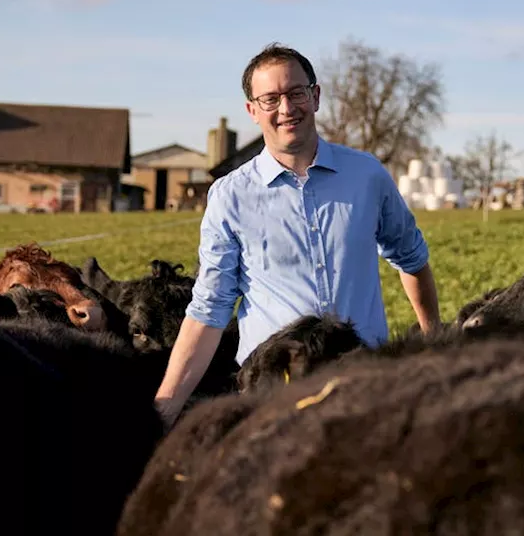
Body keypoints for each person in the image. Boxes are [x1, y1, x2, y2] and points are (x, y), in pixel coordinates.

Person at [153, 43, 442, 427]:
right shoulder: (231, 196)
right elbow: (210, 308)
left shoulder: (367, 176)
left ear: (315, 96)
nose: (286, 109)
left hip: (365, 387)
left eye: (295, 93)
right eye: (270, 99)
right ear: (252, 111)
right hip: (272, 395)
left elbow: (411, 258)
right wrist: (163, 409)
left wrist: (434, 342)